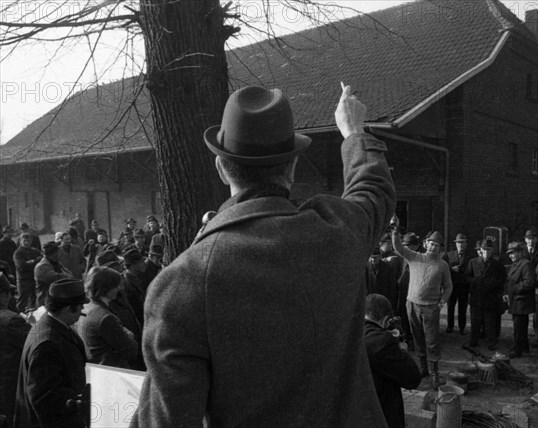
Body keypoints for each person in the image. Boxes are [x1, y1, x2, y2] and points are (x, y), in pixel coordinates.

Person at [130, 84, 395, 427]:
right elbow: (373, 189)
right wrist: (353, 132)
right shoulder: (339, 231)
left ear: (221, 168)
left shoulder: (182, 282)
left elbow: (167, 422)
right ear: (293, 167)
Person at [13, 278, 89, 428]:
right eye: (80, 306)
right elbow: (44, 399)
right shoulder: (47, 344)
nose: (82, 311)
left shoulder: (52, 324)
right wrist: (81, 402)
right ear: (68, 309)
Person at [391, 230, 452, 388]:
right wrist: (395, 232)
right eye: (431, 244)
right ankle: (423, 368)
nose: (433, 247)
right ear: (426, 244)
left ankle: (434, 374)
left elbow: (448, 286)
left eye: (436, 245)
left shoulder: (442, 265)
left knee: (431, 341)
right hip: (412, 305)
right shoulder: (415, 257)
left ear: (441, 249)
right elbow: (398, 247)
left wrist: (441, 302)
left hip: (431, 308)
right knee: (417, 338)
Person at [364, 294, 420, 428]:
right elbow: (413, 379)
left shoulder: (351, 331)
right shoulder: (384, 343)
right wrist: (401, 349)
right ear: (385, 320)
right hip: (380, 414)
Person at [78, 267, 138, 369]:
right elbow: (131, 350)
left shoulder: (86, 308)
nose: (118, 289)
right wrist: (129, 334)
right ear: (106, 288)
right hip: (113, 371)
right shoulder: (106, 318)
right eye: (115, 286)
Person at [0, 274, 31, 428]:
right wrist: (32, 324)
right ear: (4, 295)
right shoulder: (11, 320)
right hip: (9, 388)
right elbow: (33, 343)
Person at [464, 239, 507, 350]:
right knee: (475, 321)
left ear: (492, 250)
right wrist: (476, 281)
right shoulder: (473, 262)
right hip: (476, 297)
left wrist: (493, 284)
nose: (486, 252)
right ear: (481, 250)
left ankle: (491, 343)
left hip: (490, 298)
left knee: (490, 322)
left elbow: (503, 280)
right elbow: (467, 277)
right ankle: (473, 341)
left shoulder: (497, 265)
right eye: (484, 249)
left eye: (489, 249)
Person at [504, 242, 536, 359]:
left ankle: (517, 350)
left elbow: (530, 282)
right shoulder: (516, 264)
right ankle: (524, 347)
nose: (511, 256)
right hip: (516, 300)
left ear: (520, 253)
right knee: (520, 326)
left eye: (513, 253)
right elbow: (510, 281)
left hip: (521, 301)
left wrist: (514, 289)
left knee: (519, 327)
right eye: (510, 254)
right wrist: (507, 293)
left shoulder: (526, 265)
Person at [443, 233, 472, 335]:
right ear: (455, 244)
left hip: (464, 287)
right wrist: (451, 269)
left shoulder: (470, 256)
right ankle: (450, 326)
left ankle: (462, 328)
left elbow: (471, 272)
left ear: (466, 244)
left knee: (462, 309)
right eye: (458, 243)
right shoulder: (449, 255)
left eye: (462, 243)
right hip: (452, 286)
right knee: (450, 308)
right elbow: (443, 269)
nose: (460, 245)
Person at [34, 242, 72, 309]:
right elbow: (65, 278)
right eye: (59, 251)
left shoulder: (56, 263)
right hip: (46, 304)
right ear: (55, 253)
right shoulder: (42, 267)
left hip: (56, 301)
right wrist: (68, 276)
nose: (60, 254)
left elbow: (70, 276)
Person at [13, 233, 42, 313]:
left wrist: (30, 262)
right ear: (20, 241)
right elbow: (22, 265)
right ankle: (18, 319)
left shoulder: (35, 251)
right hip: (23, 280)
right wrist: (35, 261)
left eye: (28, 241)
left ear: (31, 241)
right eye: (24, 241)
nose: (26, 242)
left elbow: (41, 261)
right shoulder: (18, 253)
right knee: (22, 301)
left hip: (34, 278)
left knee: (33, 300)